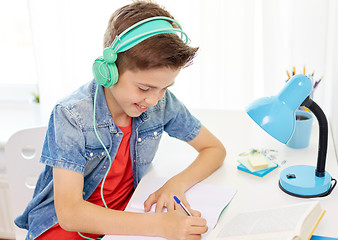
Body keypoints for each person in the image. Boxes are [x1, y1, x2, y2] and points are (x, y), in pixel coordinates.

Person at [15, 1, 226, 240]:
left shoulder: (161, 104)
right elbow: (70, 213)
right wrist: (160, 225)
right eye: (144, 88)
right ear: (109, 71)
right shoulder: (71, 116)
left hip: (124, 221)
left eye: (165, 88)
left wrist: (175, 185)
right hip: (64, 230)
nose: (155, 100)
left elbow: (214, 149)